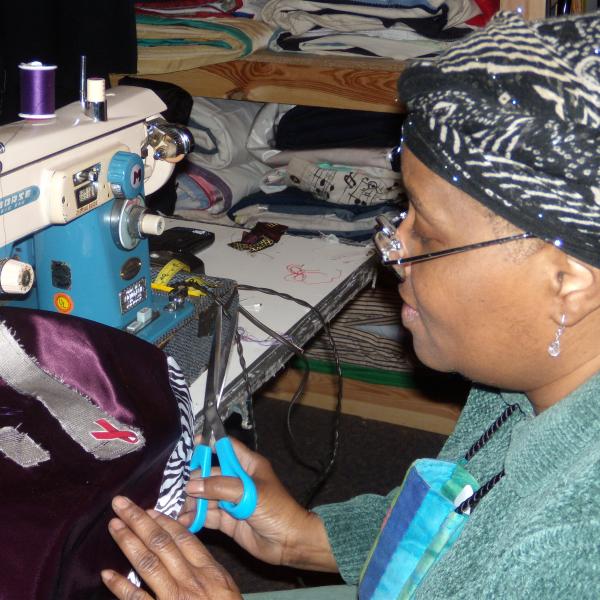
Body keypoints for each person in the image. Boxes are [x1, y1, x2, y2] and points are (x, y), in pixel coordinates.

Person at [100, 9, 600, 599]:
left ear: (569, 281)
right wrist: (307, 540)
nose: (390, 248)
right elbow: (464, 519)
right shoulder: (527, 378)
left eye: (428, 235)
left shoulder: (573, 542)